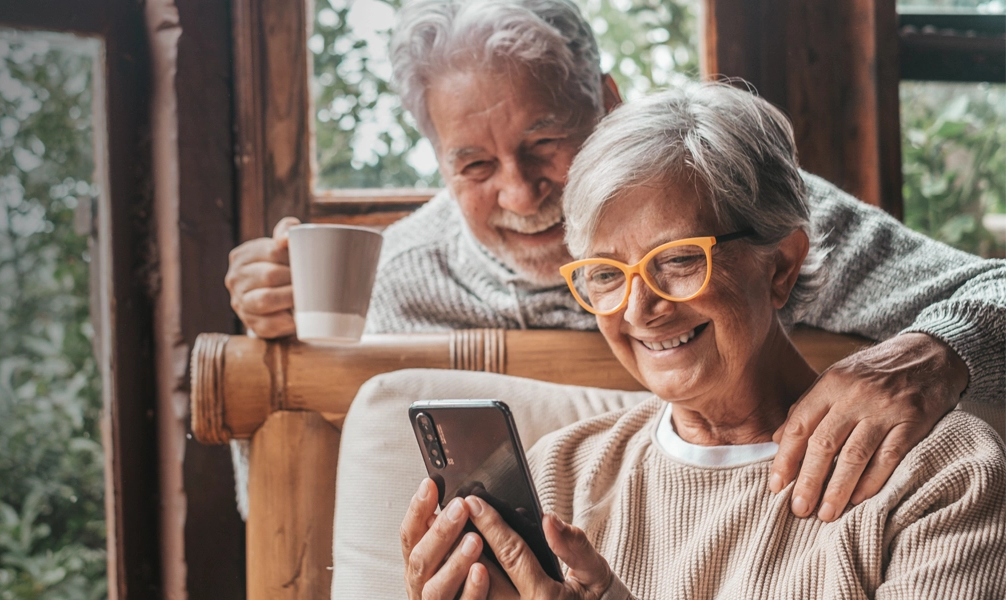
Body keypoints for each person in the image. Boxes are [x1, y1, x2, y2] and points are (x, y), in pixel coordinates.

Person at [224, 0, 1004, 529]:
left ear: (606, 101)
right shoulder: (386, 277)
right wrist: (275, 349)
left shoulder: (733, 207)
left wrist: (933, 350)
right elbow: (269, 503)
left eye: (545, 144)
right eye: (473, 166)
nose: (521, 192)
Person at [396, 82, 1006, 600]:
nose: (641, 308)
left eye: (680, 260)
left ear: (781, 266)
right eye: (606, 274)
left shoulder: (939, 472)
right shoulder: (557, 476)